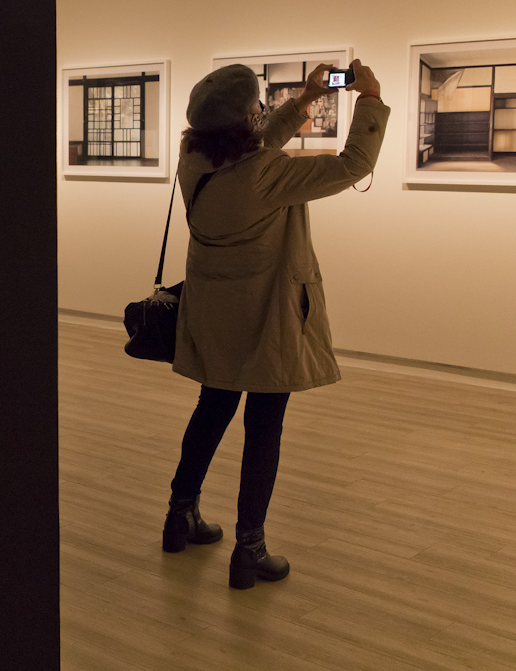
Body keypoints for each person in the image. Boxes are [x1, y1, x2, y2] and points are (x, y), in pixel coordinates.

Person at [160, 60, 389, 590]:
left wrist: (305, 99)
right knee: (264, 426)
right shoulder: (269, 174)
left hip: (214, 313)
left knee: (212, 408)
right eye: (258, 109)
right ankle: (250, 550)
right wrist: (370, 99)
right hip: (267, 317)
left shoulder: (193, 160)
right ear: (249, 116)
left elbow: (255, 144)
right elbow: (354, 164)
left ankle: (179, 516)